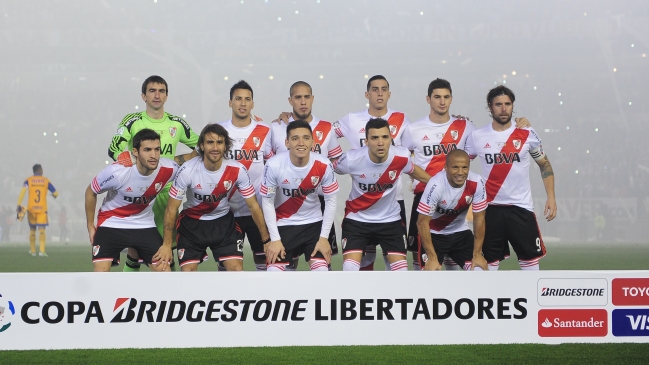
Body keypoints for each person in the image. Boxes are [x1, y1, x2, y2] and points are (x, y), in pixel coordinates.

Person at [402, 78, 531, 270]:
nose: (442, 102)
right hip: (426, 197)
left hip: (456, 199)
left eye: (446, 97)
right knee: (422, 260)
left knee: (455, 257)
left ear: (451, 99)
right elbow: (403, 161)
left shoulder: (465, 127)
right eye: (437, 97)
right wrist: (429, 181)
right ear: (428, 99)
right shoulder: (413, 129)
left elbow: (491, 137)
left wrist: (517, 123)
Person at [107, 75, 198, 272]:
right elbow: (114, 149)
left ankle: (169, 299)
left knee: (167, 251)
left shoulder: (177, 124)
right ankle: (128, 297)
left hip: (166, 193)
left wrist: (177, 161)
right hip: (137, 193)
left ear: (166, 96)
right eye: (152, 91)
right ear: (143, 96)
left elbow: (202, 146)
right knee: (134, 250)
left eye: (161, 91)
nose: (157, 95)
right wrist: (130, 161)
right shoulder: (132, 121)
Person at [464, 85, 557, 270]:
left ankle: (531, 299)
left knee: (530, 263)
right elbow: (459, 167)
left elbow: (544, 164)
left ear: (513, 106)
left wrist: (551, 197)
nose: (504, 108)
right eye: (498, 104)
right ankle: (488, 299)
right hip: (489, 209)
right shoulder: (477, 136)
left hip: (521, 208)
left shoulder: (527, 132)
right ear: (490, 107)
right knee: (487, 265)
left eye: (508, 104)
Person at [164, 123, 270, 272]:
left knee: (236, 270)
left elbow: (253, 205)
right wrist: (167, 245)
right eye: (210, 142)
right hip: (192, 225)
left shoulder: (237, 169)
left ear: (226, 146)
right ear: (201, 146)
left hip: (223, 223)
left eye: (219, 142)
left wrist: (266, 240)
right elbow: (171, 208)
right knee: (188, 273)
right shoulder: (187, 170)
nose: (215, 148)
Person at [333, 75, 411, 270]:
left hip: (393, 199)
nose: (379, 93)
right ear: (367, 94)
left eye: (384, 89)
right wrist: (290, 121)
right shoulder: (352, 119)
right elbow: (324, 134)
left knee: (393, 262)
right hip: (362, 202)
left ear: (389, 94)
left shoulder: (401, 119)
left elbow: (409, 152)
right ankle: (364, 296)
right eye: (375, 89)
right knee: (364, 259)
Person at [333, 118, 430, 271]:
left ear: (391, 139)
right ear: (366, 141)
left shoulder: (401, 156)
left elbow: (418, 173)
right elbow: (330, 170)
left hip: (390, 220)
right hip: (357, 219)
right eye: (374, 138)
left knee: (401, 272)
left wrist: (440, 187)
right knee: (349, 270)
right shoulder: (351, 159)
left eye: (385, 137)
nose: (380, 142)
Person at [270, 81, 343, 269]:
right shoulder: (277, 127)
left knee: (323, 262)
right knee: (286, 265)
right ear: (290, 100)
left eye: (306, 97)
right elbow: (268, 163)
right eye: (298, 97)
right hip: (285, 205)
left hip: (317, 205)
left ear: (312, 99)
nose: (303, 101)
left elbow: (337, 163)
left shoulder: (326, 128)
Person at [85, 129, 179, 272]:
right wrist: (91, 226)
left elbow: (191, 167)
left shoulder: (169, 169)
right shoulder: (117, 172)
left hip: (144, 224)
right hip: (112, 223)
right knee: (100, 274)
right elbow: (91, 191)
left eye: (157, 150)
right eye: (147, 150)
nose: (153, 155)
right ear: (135, 152)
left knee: (165, 271)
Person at [261, 120, 339, 271]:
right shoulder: (273, 165)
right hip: (283, 225)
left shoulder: (324, 164)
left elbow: (330, 202)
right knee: (273, 276)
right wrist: (275, 239)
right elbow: (267, 202)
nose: (301, 143)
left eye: (306, 138)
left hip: (314, 224)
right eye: (295, 138)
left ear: (312, 142)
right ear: (287, 142)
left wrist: (323, 238)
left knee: (322, 273)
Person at [218, 80, 274, 271]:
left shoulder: (264, 130)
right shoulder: (219, 131)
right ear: (230, 102)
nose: (243, 103)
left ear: (252, 104)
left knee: (264, 263)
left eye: (247, 99)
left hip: (256, 210)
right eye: (238, 99)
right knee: (229, 266)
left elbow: (273, 164)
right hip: (227, 211)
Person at [416, 149, 488, 271]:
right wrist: (432, 257)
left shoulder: (477, 182)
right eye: (455, 167)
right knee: (430, 278)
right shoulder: (436, 185)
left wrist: (477, 254)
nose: (460, 172)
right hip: (434, 236)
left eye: (464, 167)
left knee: (479, 271)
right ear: (446, 167)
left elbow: (479, 219)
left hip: (461, 234)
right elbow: (422, 222)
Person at [17, 164, 58, 257]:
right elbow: (55, 192)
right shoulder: (46, 181)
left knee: (32, 229)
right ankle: (42, 251)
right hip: (42, 209)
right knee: (42, 230)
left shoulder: (28, 180)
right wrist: (54, 195)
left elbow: (22, 192)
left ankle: (32, 251)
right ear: (39, 170)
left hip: (31, 209)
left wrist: (18, 204)